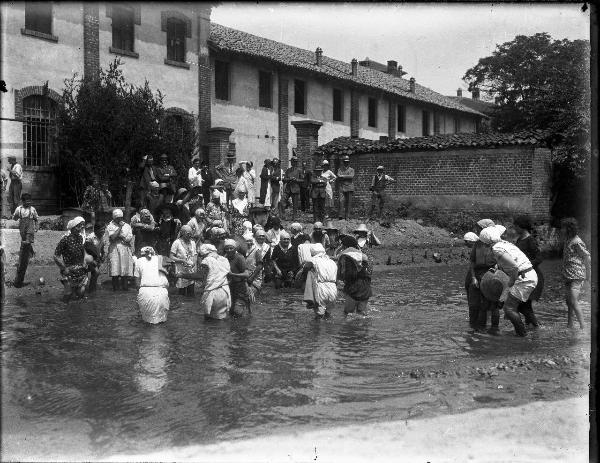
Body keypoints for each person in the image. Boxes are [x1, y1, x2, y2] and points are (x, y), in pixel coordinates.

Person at [479, 225, 538, 337]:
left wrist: (510, 283)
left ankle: (522, 335)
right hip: (527, 275)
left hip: (524, 278)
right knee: (519, 306)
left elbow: (514, 267)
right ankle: (536, 327)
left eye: (483, 242)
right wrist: (497, 268)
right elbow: (508, 262)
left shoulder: (497, 249)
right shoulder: (504, 244)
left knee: (509, 309)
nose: (483, 245)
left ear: (486, 241)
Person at [180, 244, 231, 320]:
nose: (201, 258)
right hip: (225, 292)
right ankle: (223, 332)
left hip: (214, 293)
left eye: (201, 256)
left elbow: (200, 276)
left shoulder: (207, 260)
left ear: (205, 253)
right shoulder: (224, 259)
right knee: (221, 318)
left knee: (209, 319)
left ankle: (209, 332)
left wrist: (182, 275)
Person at [468, 220, 499, 333]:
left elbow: (502, 261)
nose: (477, 231)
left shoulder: (496, 244)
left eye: (479, 229)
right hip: (478, 275)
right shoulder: (477, 244)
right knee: (477, 304)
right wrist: (473, 278)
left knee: (493, 305)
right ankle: (478, 327)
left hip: (491, 276)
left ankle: (494, 329)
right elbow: (472, 261)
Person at [560, 217, 590, 329]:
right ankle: (570, 324)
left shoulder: (577, 241)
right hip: (568, 275)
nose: (561, 230)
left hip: (577, 275)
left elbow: (587, 257)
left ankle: (583, 327)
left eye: (563, 227)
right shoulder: (568, 240)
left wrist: (588, 275)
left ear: (569, 228)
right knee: (569, 301)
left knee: (573, 300)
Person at [513, 215, 543, 328]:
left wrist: (526, 267)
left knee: (523, 305)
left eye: (515, 226)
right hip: (522, 276)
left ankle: (536, 326)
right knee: (525, 304)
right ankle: (531, 327)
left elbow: (539, 258)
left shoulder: (530, 240)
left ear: (521, 227)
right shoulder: (520, 239)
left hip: (531, 276)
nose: (514, 229)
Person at [54, 216, 89, 301]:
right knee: (69, 293)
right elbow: (56, 256)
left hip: (80, 269)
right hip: (69, 270)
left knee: (81, 292)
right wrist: (63, 268)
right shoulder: (65, 240)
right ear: (73, 227)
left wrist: (84, 261)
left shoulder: (80, 238)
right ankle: (63, 308)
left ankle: (76, 311)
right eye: (79, 226)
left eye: (82, 225)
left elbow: (82, 250)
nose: (81, 228)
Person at [336, 235, 373, 315]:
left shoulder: (344, 255)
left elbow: (341, 275)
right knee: (361, 313)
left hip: (353, 287)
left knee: (348, 313)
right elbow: (369, 272)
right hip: (366, 287)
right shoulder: (363, 255)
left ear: (344, 245)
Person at [134, 246, 170, 324]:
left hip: (146, 292)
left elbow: (137, 284)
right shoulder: (160, 259)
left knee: (147, 324)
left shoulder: (138, 261)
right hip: (162, 292)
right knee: (161, 323)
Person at [302, 243, 338, 319]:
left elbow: (306, 268)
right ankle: (329, 329)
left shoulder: (314, 260)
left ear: (312, 252)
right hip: (333, 288)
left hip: (321, 288)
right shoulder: (332, 262)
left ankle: (317, 329)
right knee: (328, 314)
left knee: (319, 315)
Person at [104, 208, 135, 291]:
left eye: (120, 217)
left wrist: (120, 236)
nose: (119, 219)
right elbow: (113, 237)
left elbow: (129, 238)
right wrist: (120, 228)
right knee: (115, 270)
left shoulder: (127, 226)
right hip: (114, 250)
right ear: (114, 218)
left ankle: (125, 289)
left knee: (124, 270)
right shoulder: (110, 226)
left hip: (125, 249)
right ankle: (115, 289)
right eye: (117, 218)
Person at [12, 192, 38, 288]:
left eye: (30, 201)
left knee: (28, 237)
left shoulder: (32, 209)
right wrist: (15, 217)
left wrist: (37, 226)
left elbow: (36, 219)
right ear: (22, 201)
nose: (29, 203)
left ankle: (28, 244)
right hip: (22, 226)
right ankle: (29, 248)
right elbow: (14, 218)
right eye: (27, 201)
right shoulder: (19, 209)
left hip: (30, 226)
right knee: (24, 239)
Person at [224, 239, 251, 317]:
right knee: (231, 313)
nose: (229, 250)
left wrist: (233, 274)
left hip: (241, 287)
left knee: (237, 312)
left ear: (235, 249)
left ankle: (242, 327)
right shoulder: (224, 258)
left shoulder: (239, 258)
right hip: (230, 287)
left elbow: (246, 274)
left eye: (231, 248)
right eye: (227, 248)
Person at [170, 224, 197, 296]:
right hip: (181, 270)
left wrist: (194, 262)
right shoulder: (176, 243)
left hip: (191, 270)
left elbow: (195, 254)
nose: (190, 235)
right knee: (181, 294)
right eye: (188, 234)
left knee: (191, 293)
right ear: (182, 233)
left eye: (191, 233)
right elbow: (171, 257)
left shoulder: (193, 242)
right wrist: (182, 261)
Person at [243, 231, 265, 304]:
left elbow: (260, 265)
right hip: (244, 277)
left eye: (250, 241)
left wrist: (251, 277)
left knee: (252, 296)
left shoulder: (256, 251)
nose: (249, 243)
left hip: (254, 277)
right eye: (247, 241)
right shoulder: (242, 251)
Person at [83, 222, 103, 293]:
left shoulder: (101, 237)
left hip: (96, 258)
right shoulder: (90, 237)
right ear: (96, 230)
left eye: (104, 230)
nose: (103, 231)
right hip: (89, 258)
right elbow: (87, 249)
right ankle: (90, 290)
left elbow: (101, 248)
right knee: (95, 272)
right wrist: (92, 260)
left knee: (94, 274)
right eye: (101, 230)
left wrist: (101, 258)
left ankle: (91, 289)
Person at [336, 155, 355, 220]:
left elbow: (351, 176)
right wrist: (346, 176)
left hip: (349, 187)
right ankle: (340, 215)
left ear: (349, 162)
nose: (346, 163)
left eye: (347, 162)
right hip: (342, 186)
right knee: (341, 201)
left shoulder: (351, 169)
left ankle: (347, 216)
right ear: (343, 162)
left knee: (349, 202)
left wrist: (343, 176)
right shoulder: (340, 169)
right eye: (344, 162)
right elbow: (338, 176)